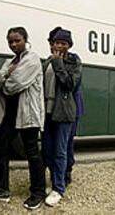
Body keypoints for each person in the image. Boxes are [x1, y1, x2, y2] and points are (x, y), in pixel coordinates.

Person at [0, 27, 46, 210]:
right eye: (10, 41)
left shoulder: (33, 59)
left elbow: (15, 84)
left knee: (32, 152)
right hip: (9, 114)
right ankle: (0, 188)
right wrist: (5, 74)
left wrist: (5, 77)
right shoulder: (10, 61)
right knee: (0, 147)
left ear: (25, 40)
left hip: (27, 114)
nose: (13, 44)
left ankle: (38, 192)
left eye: (17, 40)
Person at [42, 28, 82, 206]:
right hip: (47, 111)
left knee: (61, 151)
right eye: (57, 42)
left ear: (69, 46)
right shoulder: (47, 61)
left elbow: (69, 84)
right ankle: (54, 181)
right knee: (47, 150)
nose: (59, 46)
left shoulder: (74, 62)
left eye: (64, 43)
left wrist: (58, 64)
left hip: (64, 113)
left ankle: (59, 187)